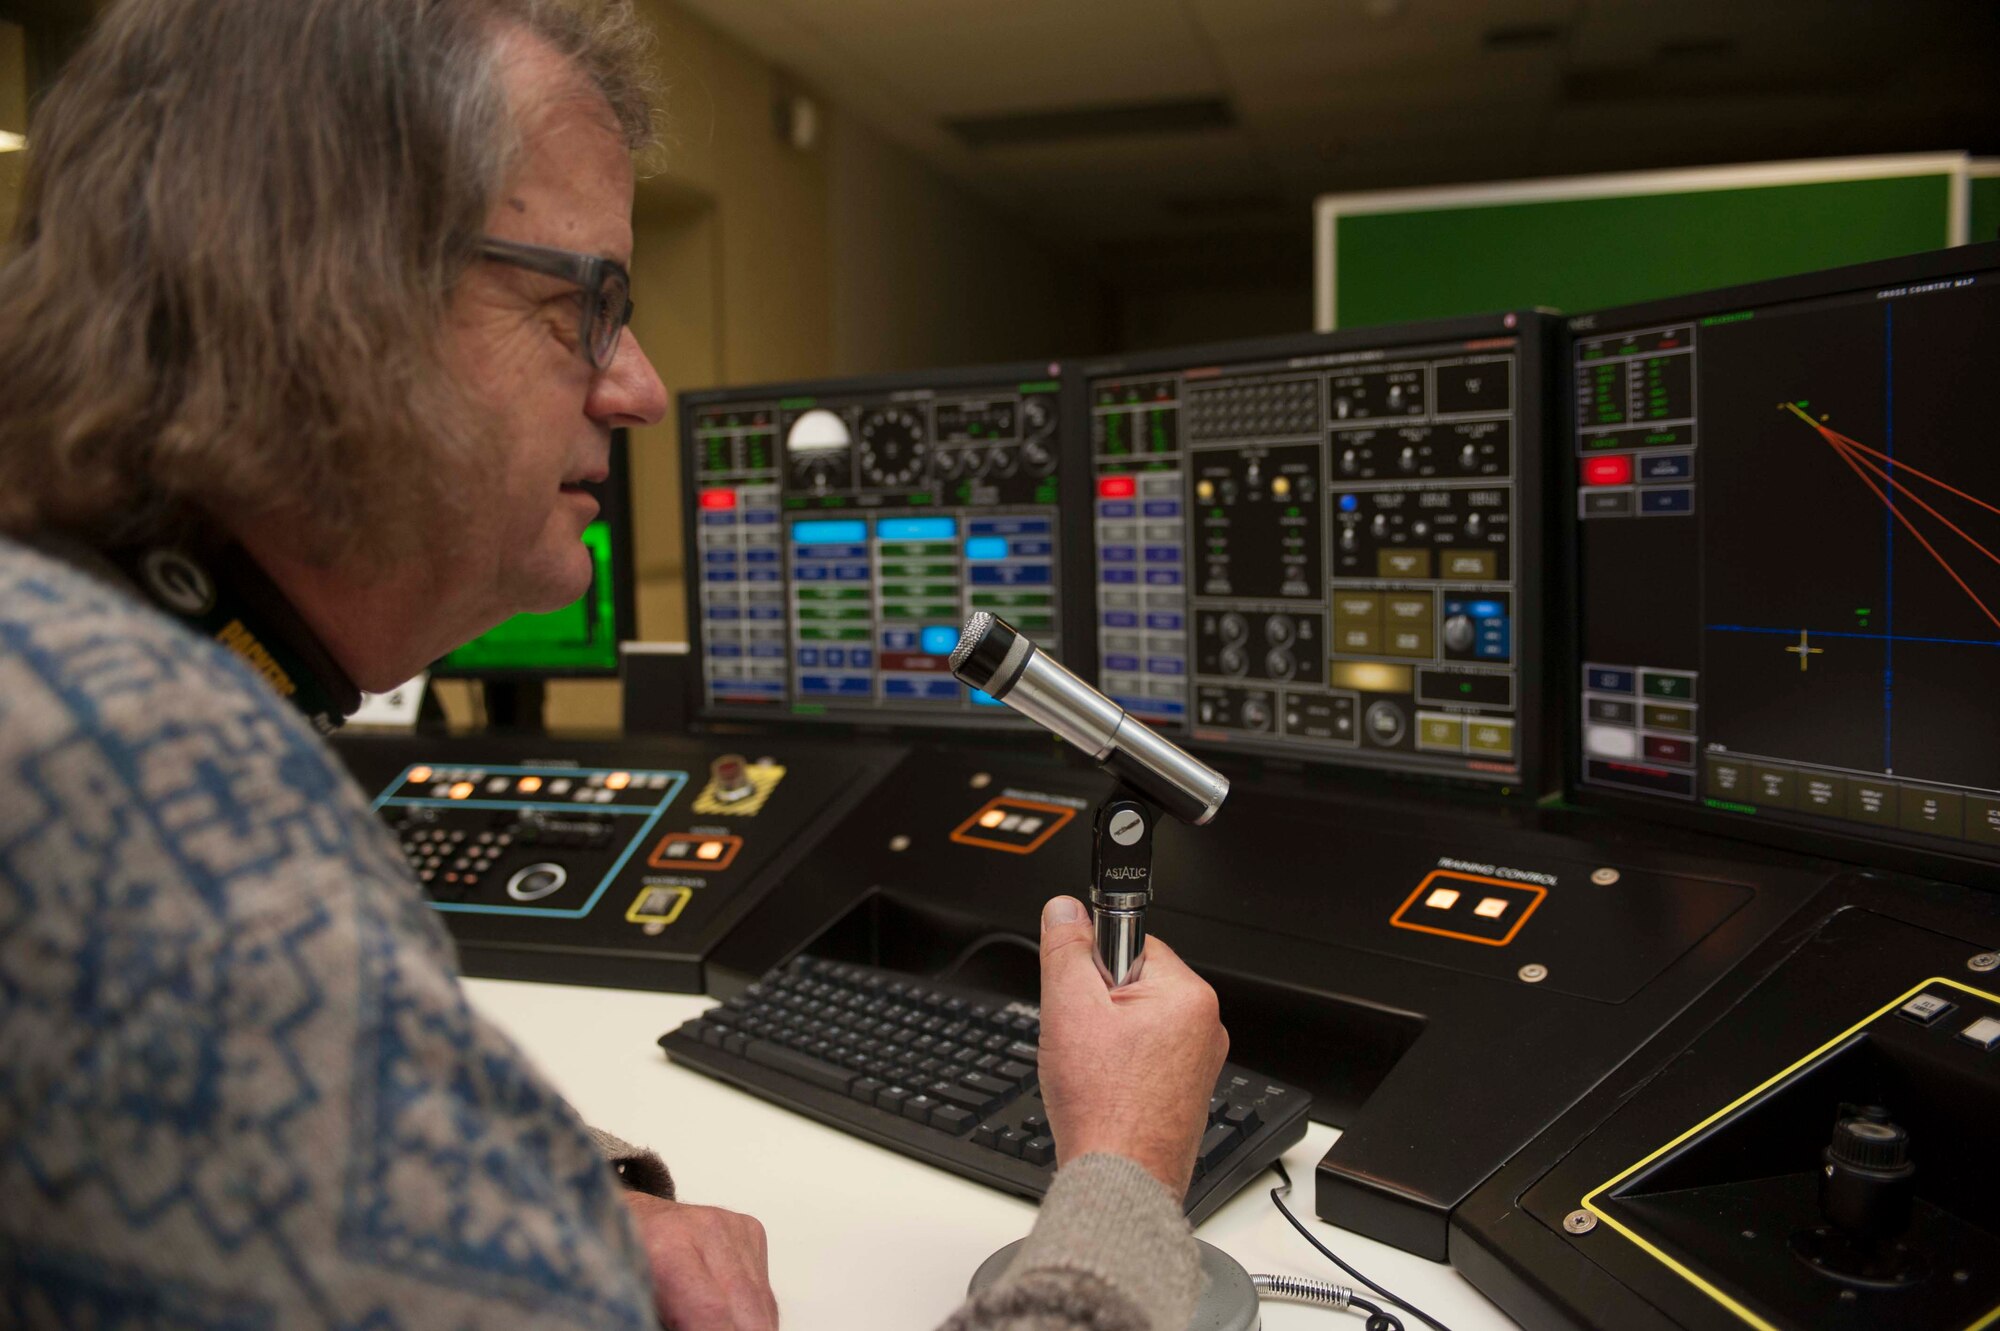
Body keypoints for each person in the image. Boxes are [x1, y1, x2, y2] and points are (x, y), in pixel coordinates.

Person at [0, 2, 1231, 1328]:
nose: (640, 387)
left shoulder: (73, 674)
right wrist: (1121, 1175)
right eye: (584, 305)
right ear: (319, 298)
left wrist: (567, 1194)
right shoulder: (139, 796)